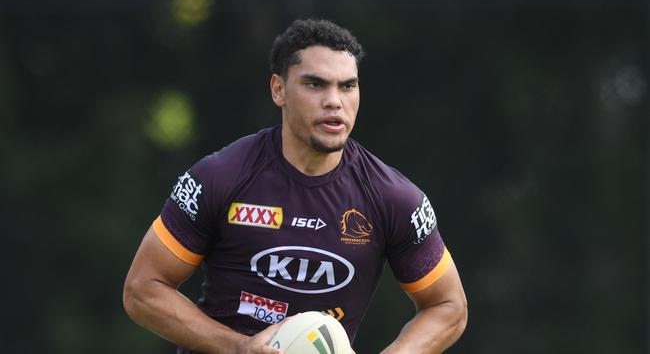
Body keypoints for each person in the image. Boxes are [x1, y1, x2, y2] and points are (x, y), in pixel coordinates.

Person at [123, 18, 467, 354]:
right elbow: (143, 289)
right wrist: (238, 347)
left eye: (347, 85)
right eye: (316, 84)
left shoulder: (393, 198)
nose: (334, 101)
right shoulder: (220, 176)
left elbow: (448, 306)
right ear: (278, 89)